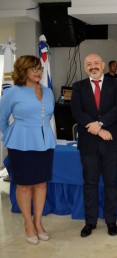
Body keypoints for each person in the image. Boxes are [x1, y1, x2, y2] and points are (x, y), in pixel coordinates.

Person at [0, 55, 56, 245]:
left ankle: (38, 223)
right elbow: (2, 119)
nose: (38, 72)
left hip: (44, 144)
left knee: (41, 184)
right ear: (23, 71)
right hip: (20, 145)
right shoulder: (13, 92)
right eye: (33, 69)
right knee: (24, 185)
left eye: (39, 68)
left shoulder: (48, 92)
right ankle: (27, 224)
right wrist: (12, 134)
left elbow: (47, 117)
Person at [71, 53, 117, 238]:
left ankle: (111, 221)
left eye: (96, 63)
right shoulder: (78, 87)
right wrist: (98, 130)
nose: (93, 66)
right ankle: (90, 221)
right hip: (88, 144)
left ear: (102, 65)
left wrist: (100, 123)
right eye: (89, 64)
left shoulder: (116, 84)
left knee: (111, 183)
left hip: (111, 142)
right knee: (90, 183)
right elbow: (77, 112)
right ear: (85, 67)